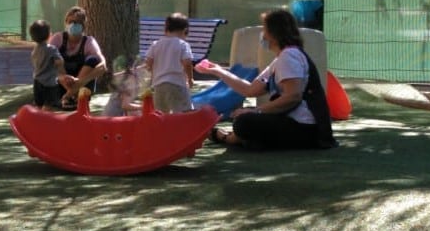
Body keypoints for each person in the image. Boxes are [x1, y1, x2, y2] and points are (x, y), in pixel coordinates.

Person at [196, 8, 335, 150]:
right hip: (291, 122)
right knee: (243, 118)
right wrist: (218, 71)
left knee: (244, 122)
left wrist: (257, 111)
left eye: (265, 30)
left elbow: (293, 96)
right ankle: (250, 140)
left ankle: (232, 138)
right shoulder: (280, 59)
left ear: (274, 34)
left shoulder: (289, 57)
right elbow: (250, 90)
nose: (263, 35)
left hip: (304, 127)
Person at [49, 6, 106, 109]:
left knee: (93, 60)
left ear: (83, 26)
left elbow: (103, 66)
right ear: (66, 23)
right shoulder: (58, 38)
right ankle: (70, 95)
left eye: (77, 22)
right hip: (60, 84)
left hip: (82, 87)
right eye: (71, 21)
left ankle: (70, 96)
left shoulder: (89, 41)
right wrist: (62, 77)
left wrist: (80, 82)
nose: (73, 24)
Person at [141, 12, 197, 113]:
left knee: (161, 114)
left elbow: (148, 63)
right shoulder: (183, 45)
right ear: (185, 31)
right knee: (183, 112)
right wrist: (190, 78)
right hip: (177, 84)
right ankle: (182, 128)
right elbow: (187, 63)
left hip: (158, 86)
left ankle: (163, 128)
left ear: (165, 30)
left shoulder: (156, 44)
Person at [27, 19, 65, 109]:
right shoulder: (51, 49)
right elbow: (59, 61)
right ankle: (46, 119)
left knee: (39, 103)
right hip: (49, 83)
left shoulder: (35, 50)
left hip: (37, 81)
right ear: (49, 35)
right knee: (49, 104)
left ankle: (38, 118)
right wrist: (60, 67)